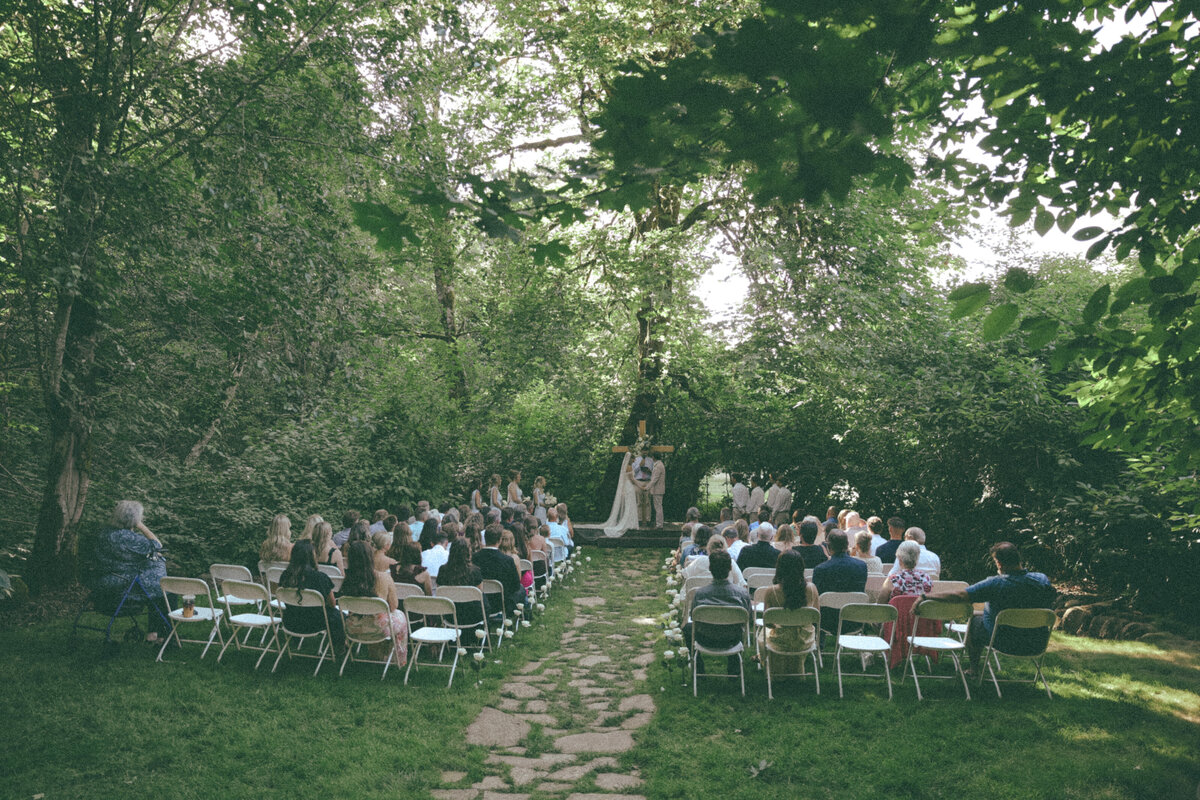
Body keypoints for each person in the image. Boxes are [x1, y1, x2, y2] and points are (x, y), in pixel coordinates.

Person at [927, 542, 1055, 673]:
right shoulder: (1041, 580)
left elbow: (960, 595)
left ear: (998, 563)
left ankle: (974, 669)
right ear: (1018, 559)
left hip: (1004, 642)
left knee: (974, 622)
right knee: (979, 617)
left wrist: (927, 596)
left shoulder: (995, 584)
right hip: (1036, 643)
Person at [92, 500, 170, 641]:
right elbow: (157, 545)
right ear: (134, 519)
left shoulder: (104, 533)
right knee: (164, 591)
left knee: (155, 586)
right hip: (123, 587)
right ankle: (165, 635)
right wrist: (141, 526)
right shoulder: (127, 538)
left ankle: (153, 633)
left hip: (102, 585)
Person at [682, 551, 753, 675]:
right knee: (739, 626)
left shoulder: (700, 594)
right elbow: (749, 620)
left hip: (705, 638)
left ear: (710, 569)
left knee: (687, 628)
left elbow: (694, 618)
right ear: (730, 568)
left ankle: (699, 667)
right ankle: (734, 667)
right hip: (732, 638)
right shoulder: (742, 594)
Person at [339, 541, 408, 666]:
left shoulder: (348, 580)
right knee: (400, 615)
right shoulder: (384, 577)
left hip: (352, 627)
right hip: (378, 629)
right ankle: (398, 659)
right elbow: (393, 606)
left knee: (381, 617)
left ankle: (375, 653)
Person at [277, 540, 344, 654]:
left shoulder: (285, 576)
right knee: (339, 616)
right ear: (311, 557)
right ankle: (339, 646)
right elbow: (332, 604)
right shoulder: (320, 578)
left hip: (291, 621)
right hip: (315, 622)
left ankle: (296, 641)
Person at [757, 550, 819, 670]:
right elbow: (816, 616)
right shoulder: (812, 588)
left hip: (780, 640)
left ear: (779, 568)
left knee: (762, 634)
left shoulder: (771, 591)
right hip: (804, 639)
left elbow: (768, 622)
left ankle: (764, 659)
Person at [811, 529, 868, 634]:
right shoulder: (861, 566)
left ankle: (820, 644)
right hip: (854, 620)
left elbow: (815, 598)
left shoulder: (821, 569)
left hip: (826, 621)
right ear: (847, 545)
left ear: (829, 547)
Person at [473, 522, 526, 617]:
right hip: (501, 602)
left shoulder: (475, 557)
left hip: (482, 600)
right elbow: (515, 585)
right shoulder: (508, 560)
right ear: (500, 540)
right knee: (521, 589)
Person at [437, 539, 486, 627]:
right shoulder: (475, 571)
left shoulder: (443, 570)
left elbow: (440, 591)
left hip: (450, 614)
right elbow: (480, 594)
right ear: (468, 553)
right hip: (472, 614)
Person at [682, 534, 746, 587]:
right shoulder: (730, 562)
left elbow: (685, 576)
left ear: (709, 547)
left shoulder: (699, 561)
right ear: (725, 548)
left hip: (702, 599)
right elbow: (742, 584)